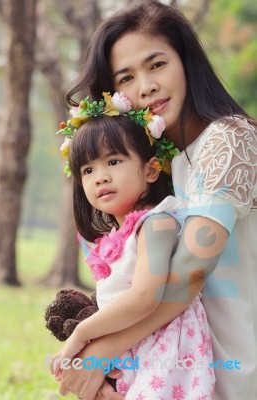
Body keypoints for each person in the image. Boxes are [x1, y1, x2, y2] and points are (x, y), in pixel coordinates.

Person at [55, 1, 257, 399]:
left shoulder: (229, 139)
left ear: (186, 62)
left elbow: (189, 274)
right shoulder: (156, 167)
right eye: (126, 77)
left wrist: (98, 353)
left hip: (236, 365)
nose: (145, 86)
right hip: (171, 369)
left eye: (157, 65)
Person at [50, 92, 215, 399]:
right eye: (88, 170)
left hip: (164, 348)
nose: (100, 177)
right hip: (134, 345)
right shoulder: (120, 234)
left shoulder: (157, 222)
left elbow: (143, 297)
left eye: (113, 161)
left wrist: (82, 333)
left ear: (151, 170)